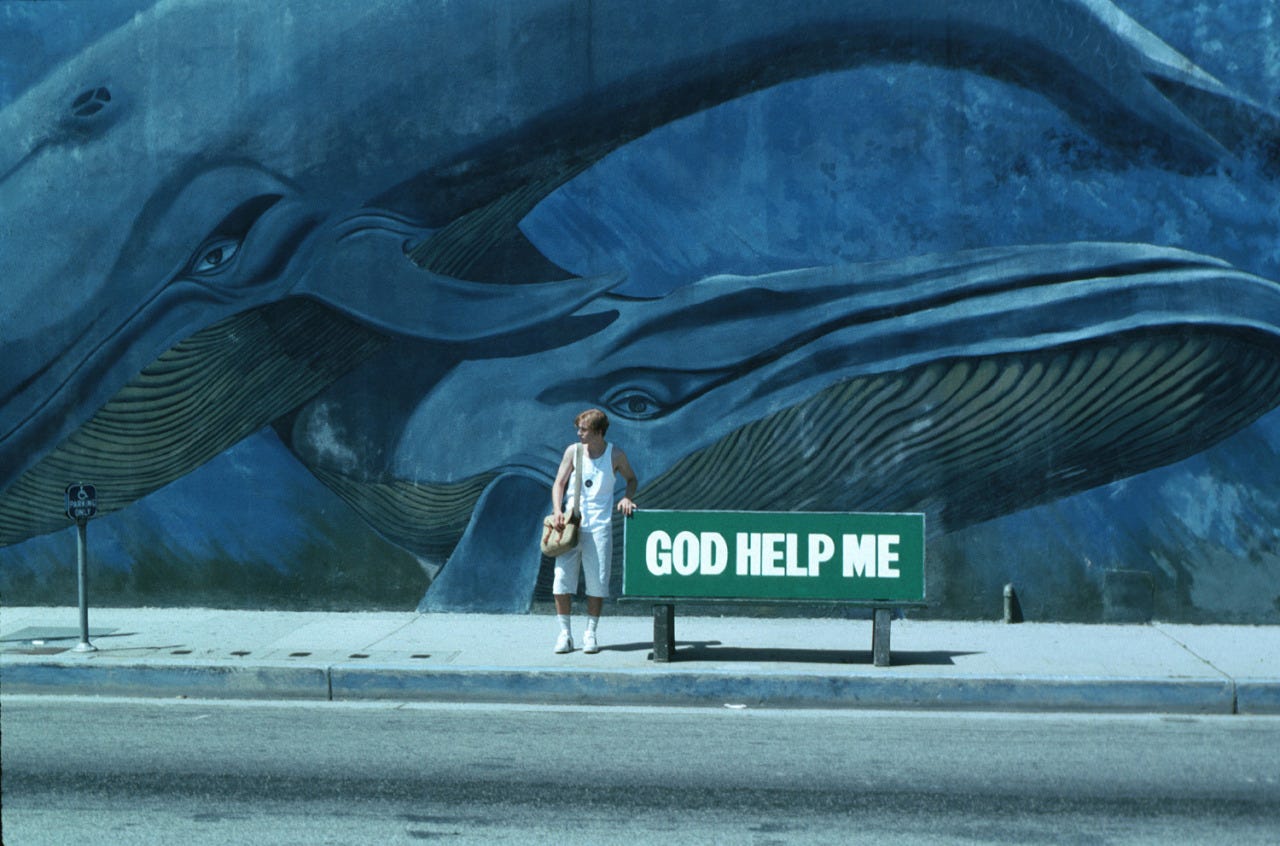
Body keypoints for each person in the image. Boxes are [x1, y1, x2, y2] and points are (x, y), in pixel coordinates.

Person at [549, 408, 637, 654]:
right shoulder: (573, 452)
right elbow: (559, 483)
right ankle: (565, 634)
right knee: (561, 580)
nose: (579, 433)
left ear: (598, 432)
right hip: (570, 526)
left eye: (584, 430)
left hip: (599, 528)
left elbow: (632, 479)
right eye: (578, 429)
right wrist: (557, 510)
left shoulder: (615, 455)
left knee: (597, 583)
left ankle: (590, 634)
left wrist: (627, 498)